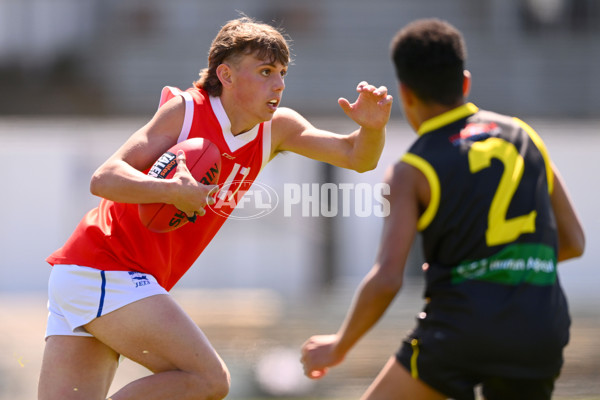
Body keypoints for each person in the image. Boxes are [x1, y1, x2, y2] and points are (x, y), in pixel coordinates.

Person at [38, 16, 393, 400]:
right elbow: (103, 178)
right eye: (265, 71)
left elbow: (357, 157)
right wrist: (171, 191)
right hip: (105, 267)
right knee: (208, 379)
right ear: (225, 74)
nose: (279, 84)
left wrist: (372, 128)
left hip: (95, 278)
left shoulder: (278, 128)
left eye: (282, 73)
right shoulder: (186, 111)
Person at [300, 18, 585, 400]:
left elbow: (387, 278)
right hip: (539, 327)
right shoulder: (524, 136)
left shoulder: (411, 169)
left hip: (461, 329)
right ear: (465, 83)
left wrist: (339, 345)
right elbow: (574, 242)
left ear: (406, 94)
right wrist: (513, 267)